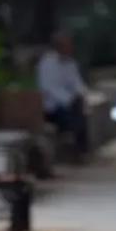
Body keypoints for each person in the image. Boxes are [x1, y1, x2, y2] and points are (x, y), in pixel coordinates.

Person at [36, 32, 90, 161]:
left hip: (69, 103)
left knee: (80, 111)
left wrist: (81, 94)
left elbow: (76, 82)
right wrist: (69, 100)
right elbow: (49, 87)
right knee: (72, 114)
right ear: (58, 47)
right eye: (67, 46)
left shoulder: (71, 63)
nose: (71, 49)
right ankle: (75, 150)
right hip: (51, 106)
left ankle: (81, 150)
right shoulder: (47, 63)